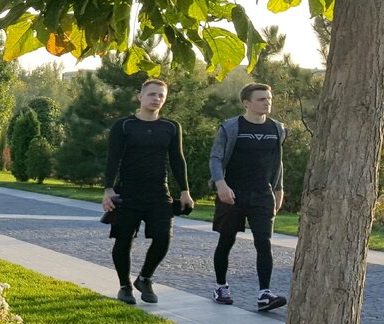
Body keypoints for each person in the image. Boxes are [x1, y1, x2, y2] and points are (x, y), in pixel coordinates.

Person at [102, 79, 193, 305]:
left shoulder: (171, 127)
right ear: (140, 97)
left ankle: (145, 278)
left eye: (161, 95)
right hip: (128, 192)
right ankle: (124, 286)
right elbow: (113, 158)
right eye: (152, 94)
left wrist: (185, 191)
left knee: (163, 237)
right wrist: (108, 189)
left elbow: (177, 159)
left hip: (158, 193)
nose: (156, 99)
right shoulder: (124, 125)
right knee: (123, 240)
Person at [208, 83, 288, 311]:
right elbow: (215, 158)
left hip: (262, 194)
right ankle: (221, 287)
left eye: (269, 98)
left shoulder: (277, 129)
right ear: (247, 103)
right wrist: (220, 184)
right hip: (232, 193)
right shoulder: (231, 127)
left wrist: (279, 189)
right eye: (261, 99)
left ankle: (264, 294)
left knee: (264, 243)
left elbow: (277, 163)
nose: (267, 102)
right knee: (226, 240)